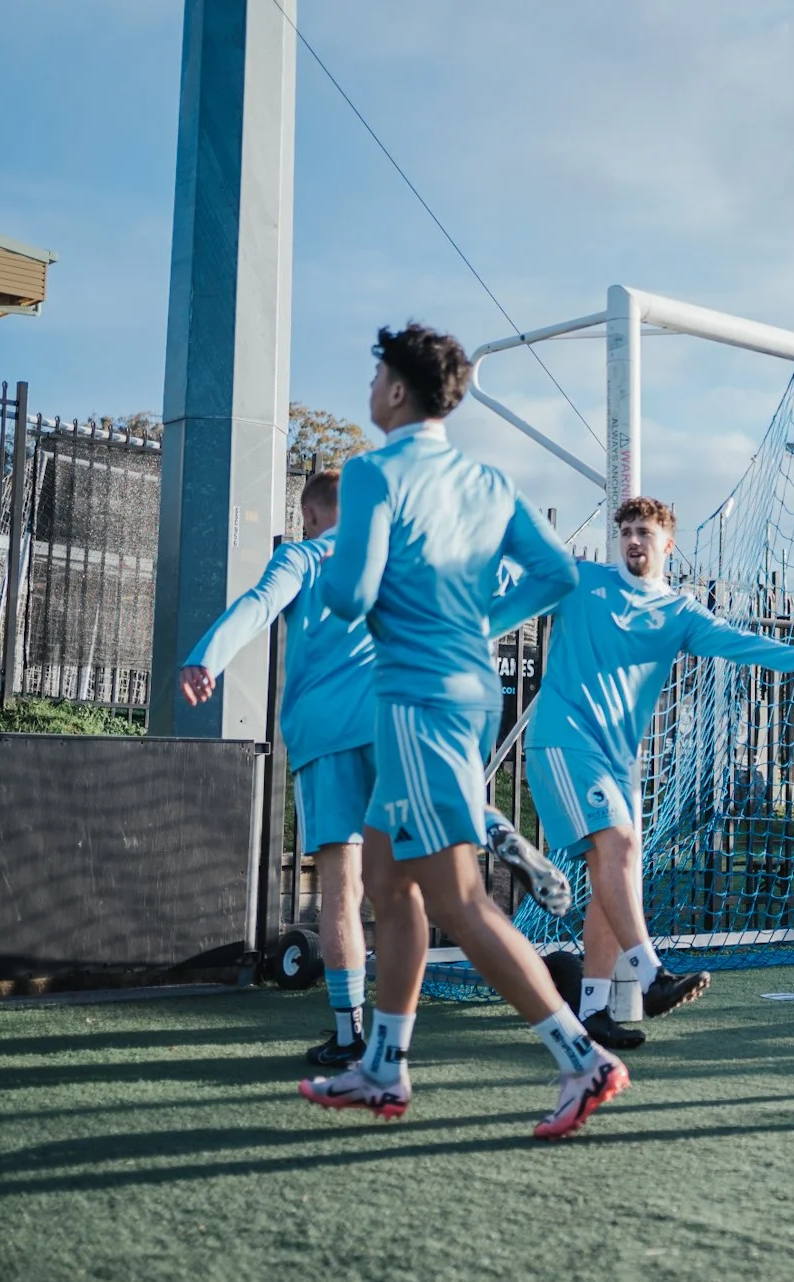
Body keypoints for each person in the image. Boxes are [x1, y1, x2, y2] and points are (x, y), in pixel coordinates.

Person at [299, 322, 621, 1140]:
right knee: (387, 878)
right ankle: (383, 1064)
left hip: (419, 703)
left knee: (459, 898)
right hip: (467, 695)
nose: (370, 389)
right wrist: (480, 620)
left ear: (398, 391)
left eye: (376, 376)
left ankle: (582, 1059)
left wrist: (346, 581)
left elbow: (346, 594)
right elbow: (555, 573)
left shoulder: (373, 474)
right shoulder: (488, 480)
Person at [522, 495, 794, 1049]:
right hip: (563, 742)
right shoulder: (580, 581)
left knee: (614, 880)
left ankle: (594, 1012)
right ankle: (651, 977)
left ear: (667, 545)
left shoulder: (680, 613)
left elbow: (741, 644)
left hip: (619, 761)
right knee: (620, 849)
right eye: (625, 530)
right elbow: (520, 574)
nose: (632, 540)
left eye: (644, 532)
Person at [180, 469, 378, 1068]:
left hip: (326, 736)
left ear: (311, 516)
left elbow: (258, 606)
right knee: (405, 888)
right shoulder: (390, 561)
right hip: (395, 727)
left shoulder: (303, 556)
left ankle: (350, 1037)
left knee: (342, 891)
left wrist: (205, 659)